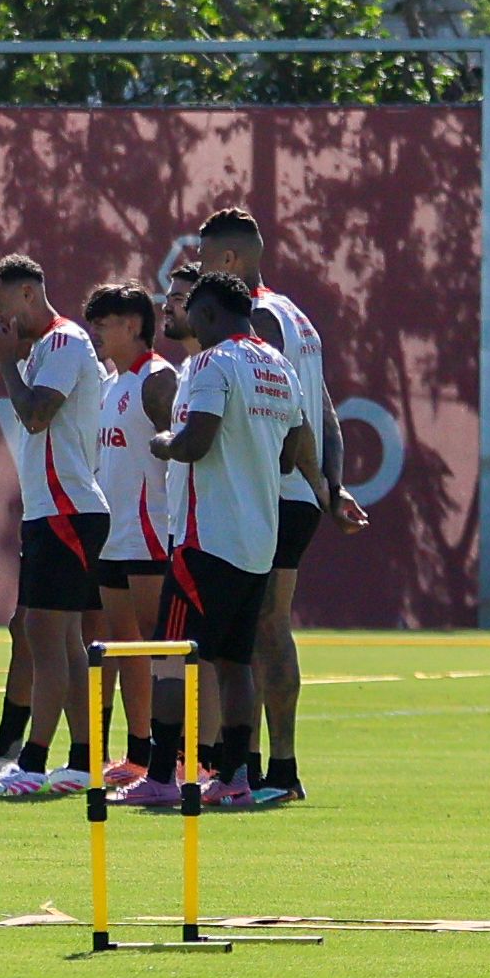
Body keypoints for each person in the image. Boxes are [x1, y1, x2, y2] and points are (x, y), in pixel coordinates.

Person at [194, 207, 365, 802]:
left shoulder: (259, 317)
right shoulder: (297, 313)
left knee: (259, 628)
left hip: (272, 492)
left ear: (231, 261)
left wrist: (314, 481)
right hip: (298, 493)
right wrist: (333, 486)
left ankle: (272, 771)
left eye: (206, 257)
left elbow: (291, 418)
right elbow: (324, 408)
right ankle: (265, 768)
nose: (198, 272)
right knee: (267, 626)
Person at [150, 272, 317, 809]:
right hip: (256, 541)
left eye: (193, 312)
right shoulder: (278, 365)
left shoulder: (211, 363)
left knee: (171, 656)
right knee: (235, 663)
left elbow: (196, 442)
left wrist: (164, 442)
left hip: (204, 537)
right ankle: (237, 776)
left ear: (210, 314)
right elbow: (293, 450)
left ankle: (159, 774)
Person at [0, 252, 107, 800]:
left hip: (69, 510)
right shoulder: (41, 350)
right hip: (51, 511)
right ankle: (81, 760)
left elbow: (35, 414)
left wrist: (5, 361)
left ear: (29, 293)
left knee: (46, 636)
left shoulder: (64, 343)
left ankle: (33, 761)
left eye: (2, 306)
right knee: (61, 639)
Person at [85, 278, 187, 801]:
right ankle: (138, 754)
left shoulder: (157, 378)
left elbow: (187, 450)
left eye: (104, 324)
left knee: (159, 647)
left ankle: (177, 761)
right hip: (114, 534)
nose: (96, 333)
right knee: (126, 649)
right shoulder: (110, 384)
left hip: (150, 533)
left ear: (133, 325)